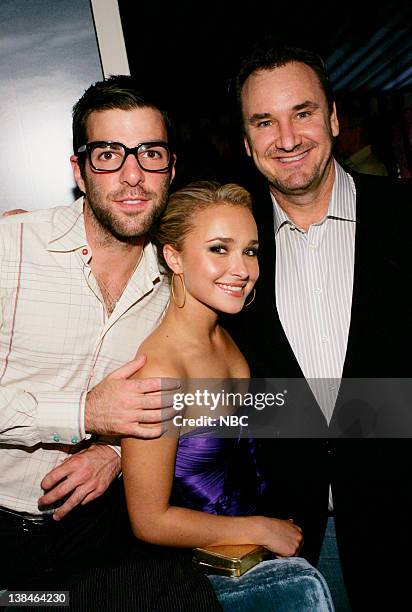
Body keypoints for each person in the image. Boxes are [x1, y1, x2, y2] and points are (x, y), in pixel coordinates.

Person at [0, 75, 221, 610]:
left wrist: (116, 452)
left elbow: (194, 400)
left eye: (149, 154)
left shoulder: (180, 281)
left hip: (97, 528)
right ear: (79, 170)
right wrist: (82, 413)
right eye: (108, 154)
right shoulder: (11, 249)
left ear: (171, 168)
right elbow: (95, 409)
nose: (132, 176)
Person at [222, 43, 412, 611]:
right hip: (291, 539)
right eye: (264, 121)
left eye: (302, 113)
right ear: (246, 139)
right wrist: (119, 448)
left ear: (333, 118)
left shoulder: (405, 216)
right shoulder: (224, 245)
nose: (286, 138)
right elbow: (194, 363)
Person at [121, 181, 334, 612]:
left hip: (258, 559)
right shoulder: (161, 369)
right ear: (173, 256)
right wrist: (260, 528)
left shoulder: (231, 335)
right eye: (220, 249)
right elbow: (148, 520)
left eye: (250, 251)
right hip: (200, 585)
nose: (242, 268)